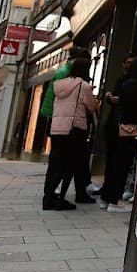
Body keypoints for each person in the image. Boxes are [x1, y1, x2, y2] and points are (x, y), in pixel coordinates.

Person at [43, 57, 98, 211]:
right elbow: (91, 107)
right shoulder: (83, 86)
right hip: (73, 129)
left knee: (56, 164)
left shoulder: (59, 84)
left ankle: (47, 198)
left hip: (57, 128)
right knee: (69, 166)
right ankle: (60, 200)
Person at [100, 56, 137, 213]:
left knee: (113, 163)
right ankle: (115, 200)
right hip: (128, 128)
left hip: (116, 127)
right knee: (122, 163)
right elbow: (134, 107)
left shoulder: (125, 81)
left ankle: (108, 198)